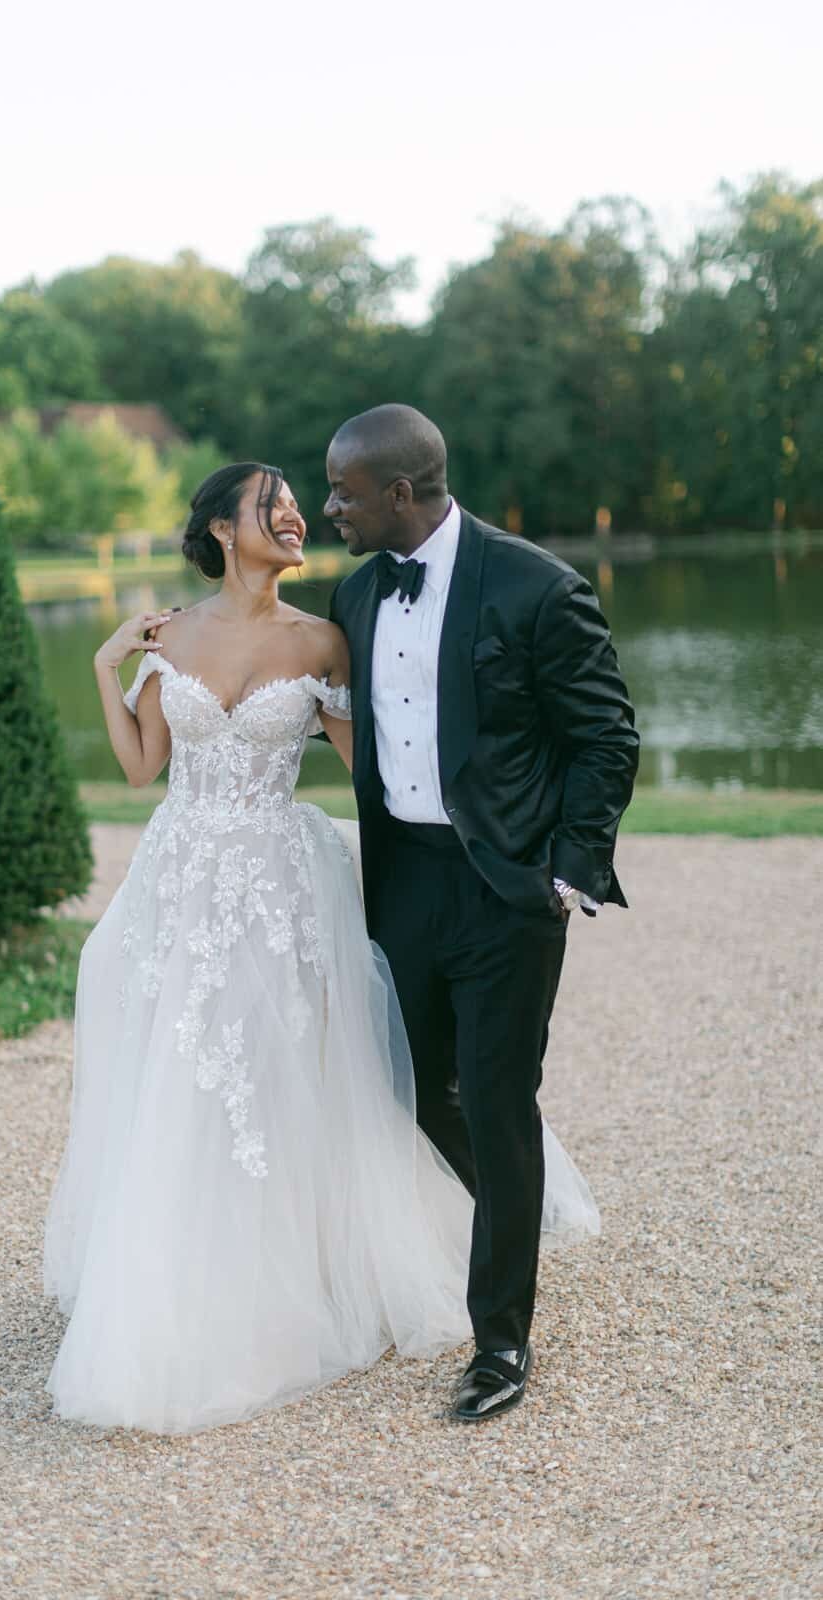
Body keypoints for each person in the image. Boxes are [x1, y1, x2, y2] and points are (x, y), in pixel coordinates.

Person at [42, 462, 598, 1435]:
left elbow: (378, 765)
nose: (297, 515)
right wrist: (101, 666)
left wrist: (497, 823)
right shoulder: (167, 634)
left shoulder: (325, 637)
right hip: (181, 877)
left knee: (284, 1072)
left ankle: (309, 1263)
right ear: (221, 528)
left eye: (301, 503)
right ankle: (190, 1268)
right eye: (273, 504)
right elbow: (140, 767)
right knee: (186, 1071)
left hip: (280, 879)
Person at [325, 405, 639, 1421]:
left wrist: (568, 867)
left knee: (499, 1097)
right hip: (402, 882)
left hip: (504, 887)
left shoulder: (535, 586)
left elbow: (603, 737)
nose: (328, 507)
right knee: (417, 1091)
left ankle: (498, 1340)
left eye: (343, 492)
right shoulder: (354, 591)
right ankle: (517, 1204)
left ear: (400, 493)